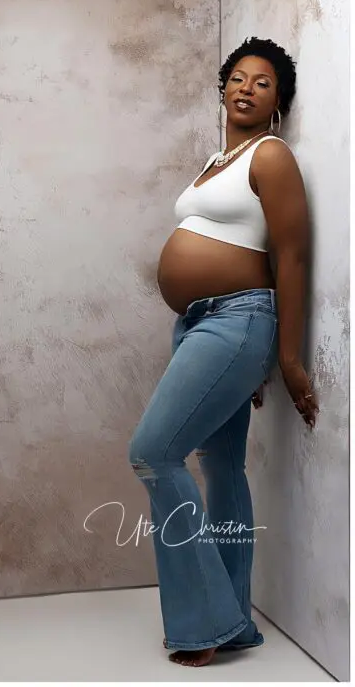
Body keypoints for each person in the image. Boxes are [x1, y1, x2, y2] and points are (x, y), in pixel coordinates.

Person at [129, 37, 319, 667]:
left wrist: (285, 360)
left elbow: (290, 256)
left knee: (154, 453)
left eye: (262, 83)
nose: (245, 88)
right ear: (222, 89)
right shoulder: (218, 160)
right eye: (237, 78)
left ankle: (203, 621)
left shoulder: (272, 156)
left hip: (239, 320)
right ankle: (234, 622)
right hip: (204, 323)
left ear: (278, 103)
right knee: (223, 468)